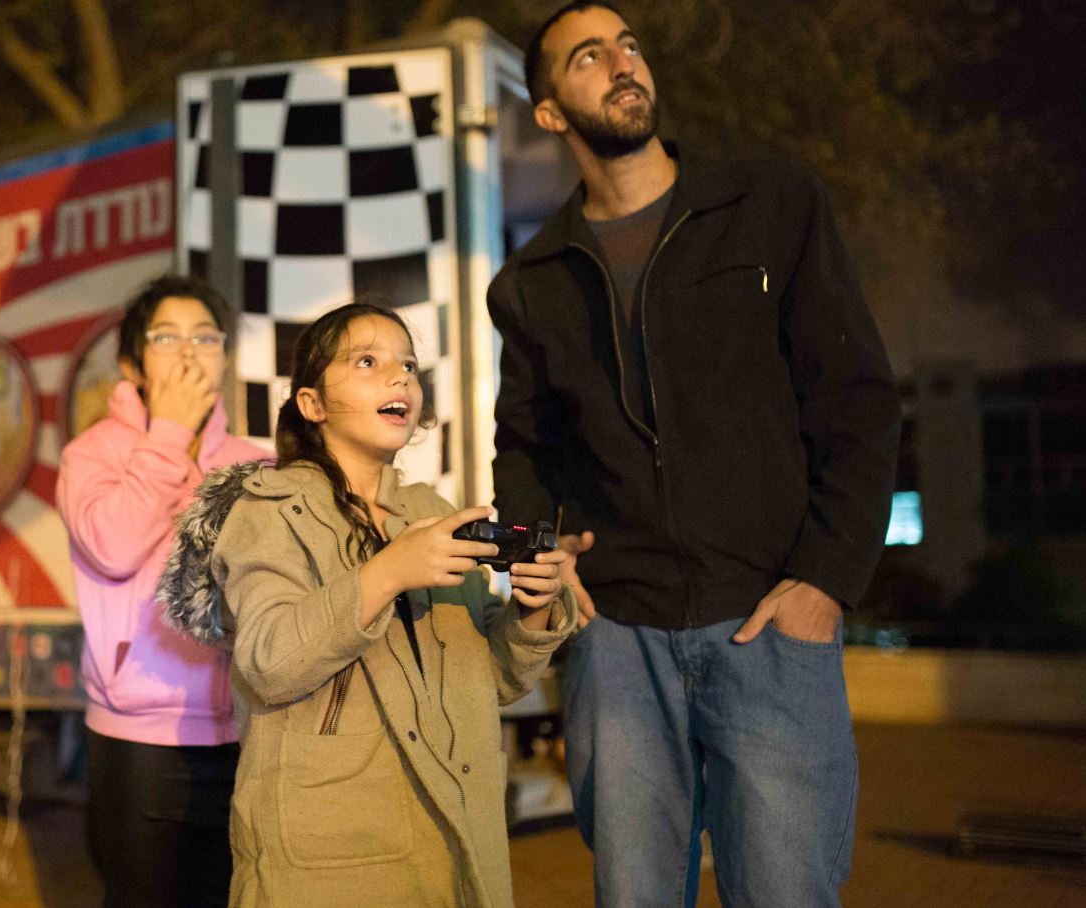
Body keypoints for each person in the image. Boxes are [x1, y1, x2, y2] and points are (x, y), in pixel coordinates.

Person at [491, 3, 901, 905]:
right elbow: (523, 445)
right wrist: (535, 558)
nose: (621, 64)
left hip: (767, 620)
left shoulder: (770, 207)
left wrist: (824, 580)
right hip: (618, 643)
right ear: (552, 111)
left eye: (628, 46)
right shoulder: (529, 283)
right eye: (588, 58)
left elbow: (858, 403)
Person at [159, 301, 578, 907]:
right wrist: (386, 574)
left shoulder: (431, 512)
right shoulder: (269, 510)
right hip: (331, 864)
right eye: (367, 361)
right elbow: (268, 663)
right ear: (312, 404)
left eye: (408, 364)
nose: (399, 377)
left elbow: (493, 678)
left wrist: (534, 607)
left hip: (456, 850)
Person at [55, 275, 268, 908]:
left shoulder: (259, 465)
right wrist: (169, 433)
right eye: (167, 336)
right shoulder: (90, 455)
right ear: (132, 364)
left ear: (225, 356)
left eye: (206, 336)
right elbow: (114, 546)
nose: (189, 351)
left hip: (246, 732)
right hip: (138, 739)